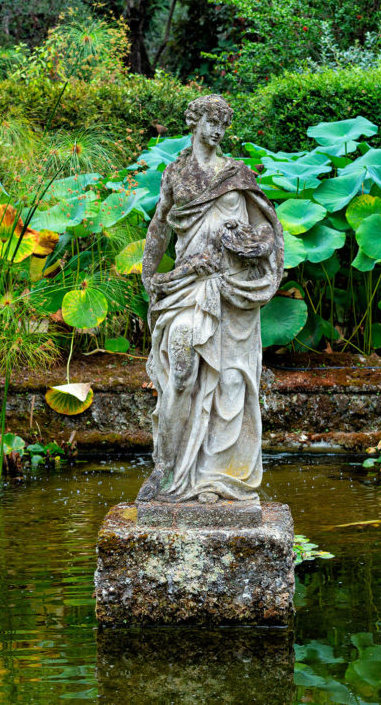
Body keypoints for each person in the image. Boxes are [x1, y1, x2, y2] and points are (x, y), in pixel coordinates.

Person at [136, 95, 284, 504]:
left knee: (230, 382)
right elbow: (159, 228)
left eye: (223, 124)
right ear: (194, 122)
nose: (217, 131)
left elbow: (267, 232)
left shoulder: (236, 174)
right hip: (187, 286)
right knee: (181, 369)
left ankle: (215, 477)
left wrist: (246, 242)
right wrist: (152, 276)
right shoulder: (177, 175)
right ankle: (167, 470)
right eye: (211, 122)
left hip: (230, 289)